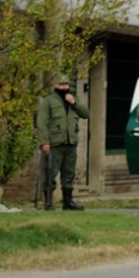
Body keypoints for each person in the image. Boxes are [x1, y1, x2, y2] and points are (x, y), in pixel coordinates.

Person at [36, 74, 89, 211]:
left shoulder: (73, 99)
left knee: (69, 174)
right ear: (55, 86)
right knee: (50, 173)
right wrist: (44, 142)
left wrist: (74, 103)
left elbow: (85, 114)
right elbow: (42, 122)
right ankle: (48, 202)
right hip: (54, 143)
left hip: (71, 143)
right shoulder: (48, 101)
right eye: (61, 85)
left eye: (66, 84)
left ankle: (68, 202)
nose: (64, 87)